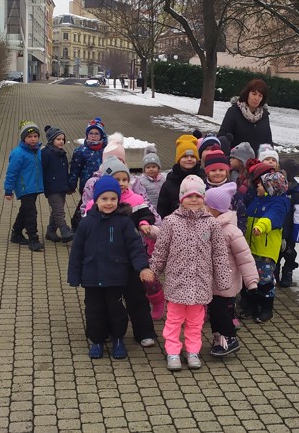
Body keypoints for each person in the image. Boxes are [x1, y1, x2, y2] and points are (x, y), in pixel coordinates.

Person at [145, 176, 232, 371]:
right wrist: (154, 270)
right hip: (177, 282)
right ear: (181, 198)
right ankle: (173, 352)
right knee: (174, 320)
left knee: (195, 322)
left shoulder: (211, 223)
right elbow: (161, 250)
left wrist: (222, 278)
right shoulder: (171, 222)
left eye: (198, 196)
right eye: (189, 196)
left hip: (200, 283)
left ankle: (192, 351)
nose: (194, 200)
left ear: (203, 198)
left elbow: (219, 253)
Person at [68, 176, 155, 360]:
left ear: (118, 199)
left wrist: (142, 268)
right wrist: (74, 275)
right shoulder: (86, 223)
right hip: (92, 278)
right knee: (94, 312)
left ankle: (118, 339)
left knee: (117, 311)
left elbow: (135, 248)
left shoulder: (124, 222)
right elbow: (77, 252)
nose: (109, 203)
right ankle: (97, 341)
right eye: (104, 199)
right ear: (96, 200)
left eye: (113, 199)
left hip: (116, 277)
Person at [82, 155, 163, 338]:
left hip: (131, 256)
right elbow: (87, 228)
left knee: (136, 296)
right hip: (106, 259)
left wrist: (143, 222)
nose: (121, 183)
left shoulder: (135, 199)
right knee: (109, 299)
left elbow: (146, 214)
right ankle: (108, 332)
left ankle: (144, 333)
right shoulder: (96, 203)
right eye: (116, 179)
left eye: (125, 179)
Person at [204, 182, 258, 357]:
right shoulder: (206, 227)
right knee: (214, 313)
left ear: (215, 209)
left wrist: (251, 281)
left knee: (222, 313)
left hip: (227, 282)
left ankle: (230, 338)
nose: (203, 208)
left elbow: (245, 258)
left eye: (206, 205)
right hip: (211, 282)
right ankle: (219, 338)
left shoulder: (231, 232)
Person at [241, 171, 291, 323]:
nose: (258, 185)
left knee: (264, 280)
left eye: (261, 184)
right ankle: (251, 305)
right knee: (249, 278)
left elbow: (271, 217)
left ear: (271, 188)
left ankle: (267, 308)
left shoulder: (278, 205)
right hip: (250, 248)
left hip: (265, 251)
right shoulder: (257, 201)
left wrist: (260, 227)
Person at [3, 121, 46, 251]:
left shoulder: (38, 151)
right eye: (29, 137)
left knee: (25, 210)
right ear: (23, 138)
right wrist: (8, 190)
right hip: (24, 187)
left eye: (35, 136)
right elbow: (11, 173)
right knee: (31, 212)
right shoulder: (18, 153)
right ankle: (33, 238)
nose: (33, 139)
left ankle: (16, 233)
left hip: (34, 187)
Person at [218, 78, 273, 155]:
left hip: (257, 161)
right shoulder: (234, 111)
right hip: (235, 159)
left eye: (260, 96)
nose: (256, 98)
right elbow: (223, 138)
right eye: (254, 94)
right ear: (247, 93)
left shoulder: (264, 116)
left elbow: (268, 143)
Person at [157, 134, 206, 218]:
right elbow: (162, 211)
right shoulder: (169, 183)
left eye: (192, 156)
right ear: (178, 159)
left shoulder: (204, 178)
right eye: (185, 156)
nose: (189, 159)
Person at [41, 125, 74, 244]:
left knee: (56, 210)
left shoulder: (62, 154)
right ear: (51, 140)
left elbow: (65, 172)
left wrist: (68, 186)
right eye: (58, 139)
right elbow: (42, 170)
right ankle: (65, 231)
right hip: (52, 188)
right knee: (59, 211)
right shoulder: (46, 153)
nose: (61, 141)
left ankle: (50, 231)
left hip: (62, 187)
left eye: (63, 139)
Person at [278, 158, 299, 287]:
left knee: (289, 252)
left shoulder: (296, 192)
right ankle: (274, 271)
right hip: (277, 226)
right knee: (277, 253)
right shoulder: (277, 186)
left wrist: (296, 234)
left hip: (289, 228)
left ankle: (288, 271)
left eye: (281, 170)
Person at [68, 118, 107, 196]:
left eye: (97, 133)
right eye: (90, 133)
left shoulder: (107, 150)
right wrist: (72, 186)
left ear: (101, 135)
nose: (93, 136)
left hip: (104, 186)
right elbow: (74, 171)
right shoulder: (80, 151)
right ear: (87, 135)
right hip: (86, 187)